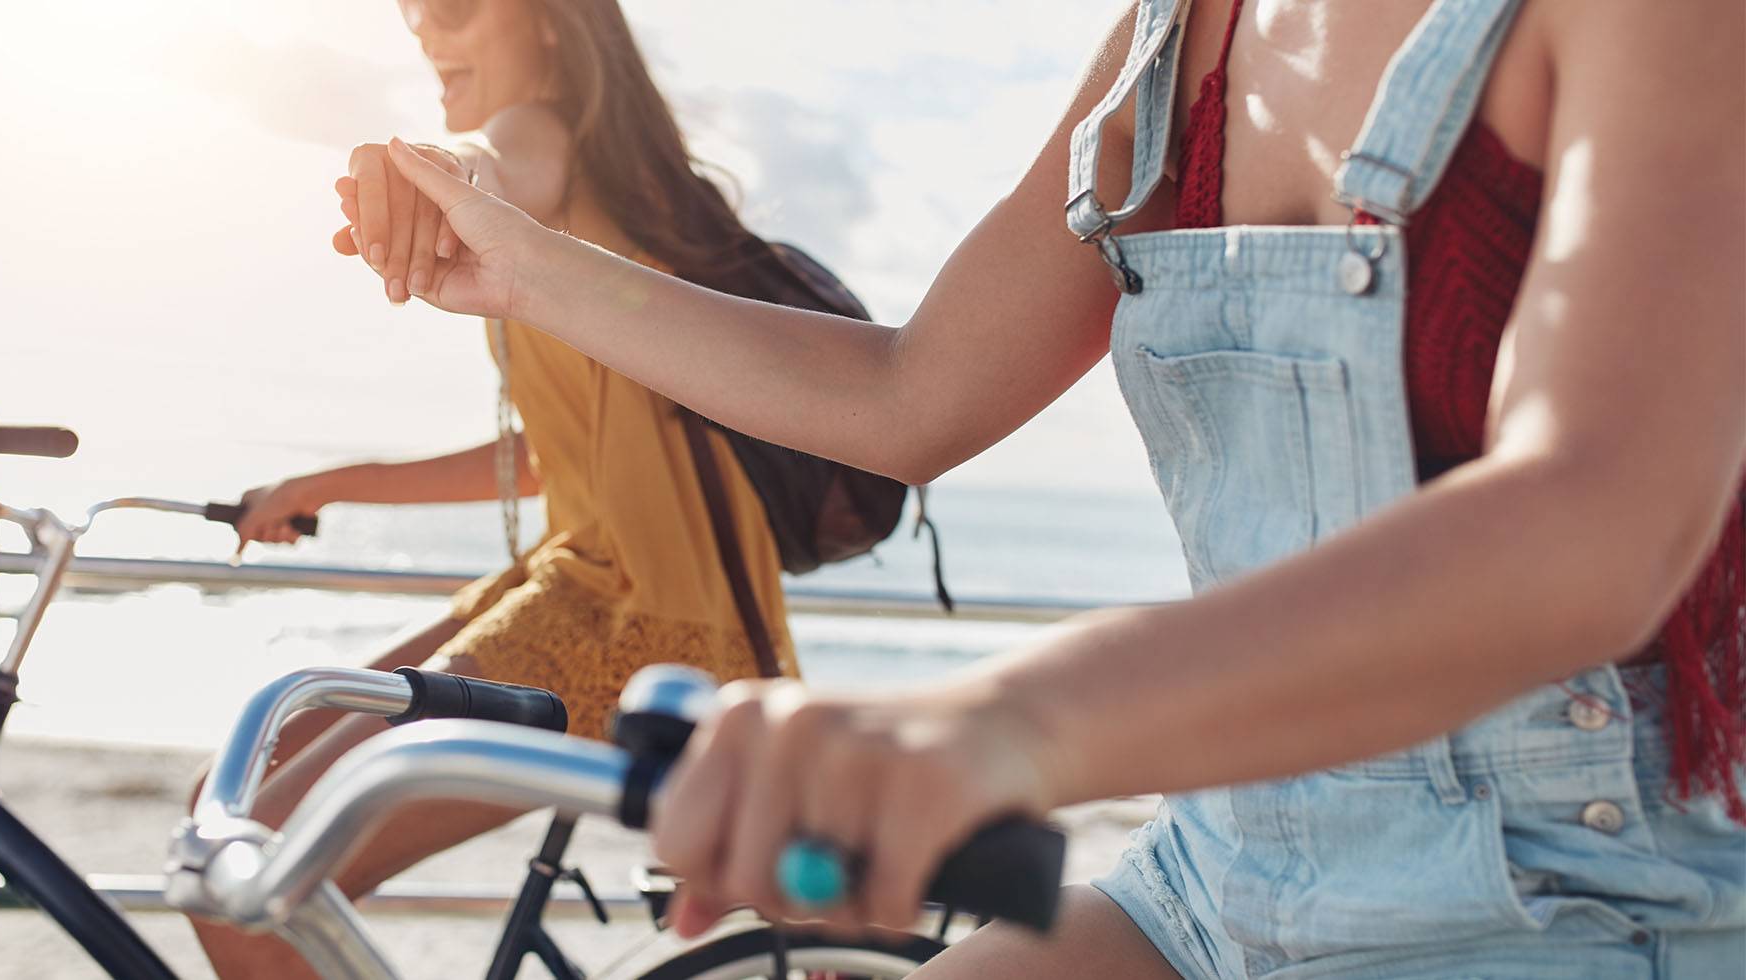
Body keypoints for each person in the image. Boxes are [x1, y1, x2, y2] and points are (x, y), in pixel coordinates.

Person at [343, 0, 1745, 973]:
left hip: (1585, 900)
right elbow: (908, 398)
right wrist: (523, 268)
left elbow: (1595, 524)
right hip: (1225, 874)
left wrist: (984, 729)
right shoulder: (1174, 42)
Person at [190, 0, 841, 974]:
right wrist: (331, 482)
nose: (426, 30)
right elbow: (547, 455)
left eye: (454, 8)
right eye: (415, 12)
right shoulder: (620, 199)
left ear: (546, 23)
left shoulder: (542, 137)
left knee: (255, 885)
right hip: (595, 589)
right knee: (238, 797)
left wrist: (440, 175)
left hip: (629, 620)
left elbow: (495, 160)